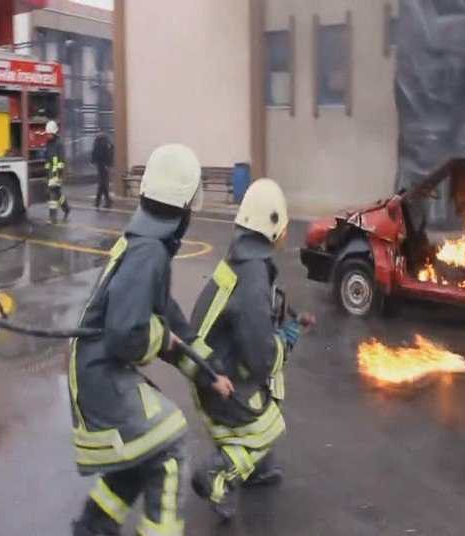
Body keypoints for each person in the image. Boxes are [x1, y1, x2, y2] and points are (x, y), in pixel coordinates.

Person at [70, 144, 234, 536]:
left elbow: (169, 319)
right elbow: (128, 335)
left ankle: (92, 530)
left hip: (95, 370)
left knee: (142, 455)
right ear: (184, 209)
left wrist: (208, 372)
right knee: (171, 448)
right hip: (101, 374)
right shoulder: (149, 252)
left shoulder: (144, 243)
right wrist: (163, 336)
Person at [188, 178, 314, 521]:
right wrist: (286, 340)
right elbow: (260, 360)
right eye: (284, 226)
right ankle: (219, 474)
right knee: (270, 419)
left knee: (261, 396)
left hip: (207, 372)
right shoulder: (254, 277)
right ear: (272, 225)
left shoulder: (240, 261)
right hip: (219, 383)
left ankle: (256, 468)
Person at [45, 119, 70, 224]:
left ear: (54, 133)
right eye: (48, 134)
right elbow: (48, 159)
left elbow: (61, 160)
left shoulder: (59, 144)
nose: (48, 136)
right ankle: (66, 208)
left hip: (57, 173)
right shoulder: (49, 144)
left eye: (50, 134)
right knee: (57, 193)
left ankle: (52, 218)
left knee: (52, 194)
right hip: (51, 172)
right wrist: (47, 171)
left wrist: (58, 174)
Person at [92, 132, 113, 208]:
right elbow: (109, 154)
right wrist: (108, 164)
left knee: (102, 183)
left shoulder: (97, 142)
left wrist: (93, 161)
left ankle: (100, 201)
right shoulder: (106, 142)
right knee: (103, 183)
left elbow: (94, 153)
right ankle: (106, 201)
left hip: (100, 165)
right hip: (104, 165)